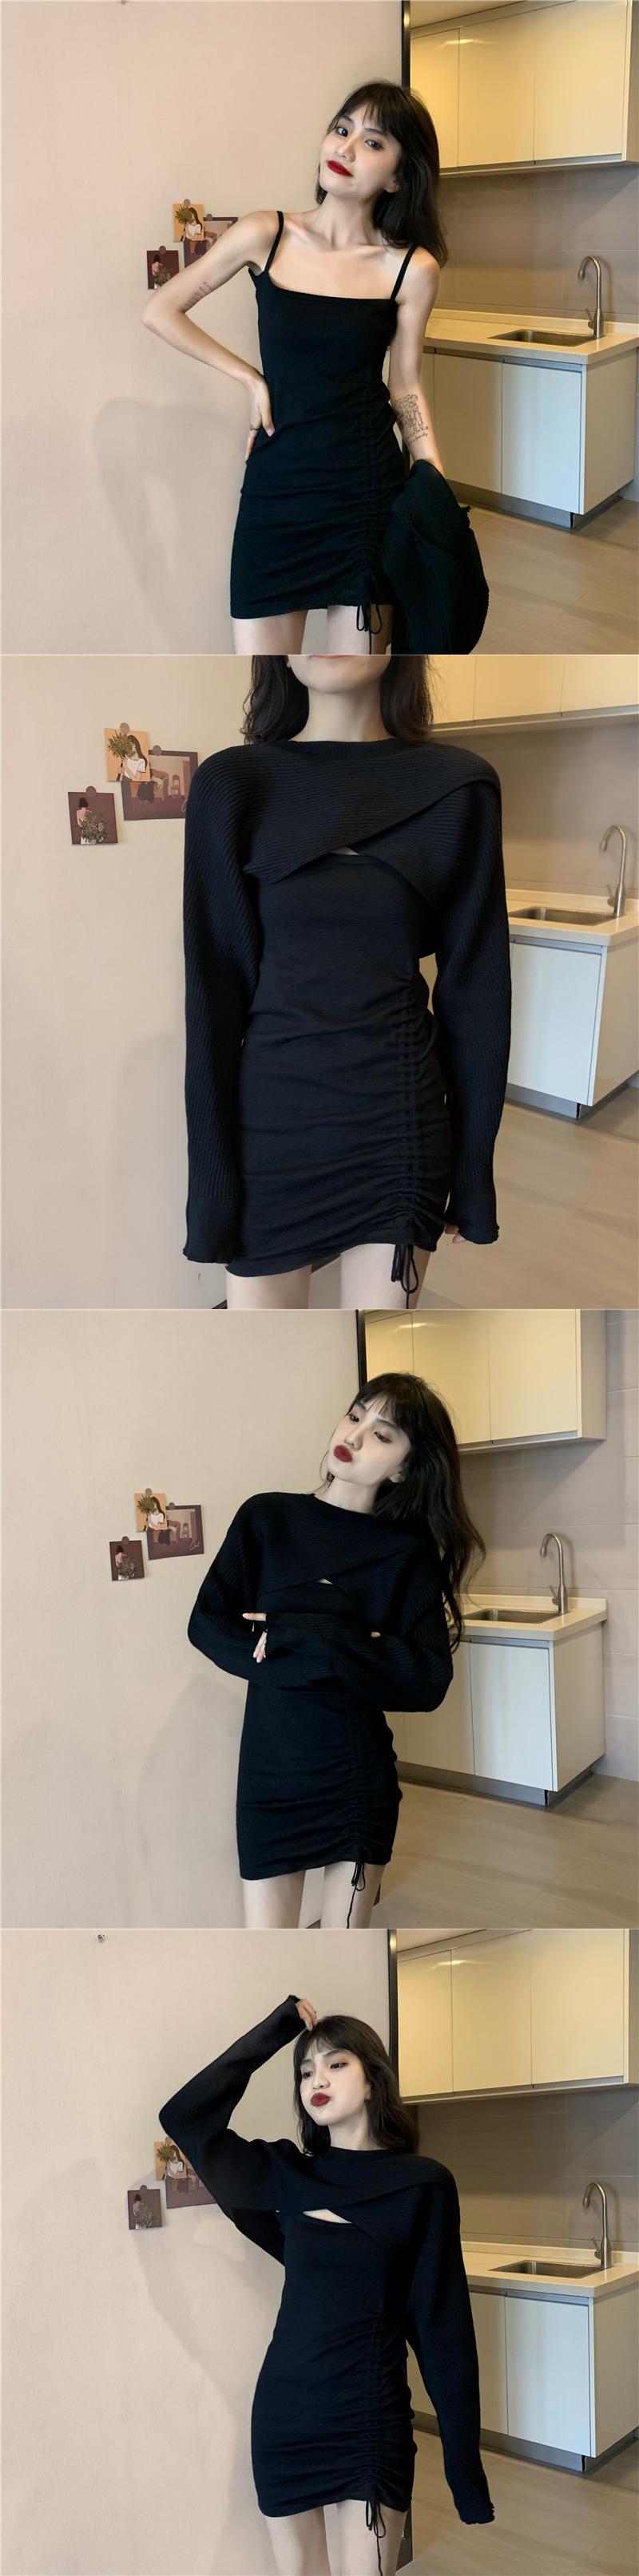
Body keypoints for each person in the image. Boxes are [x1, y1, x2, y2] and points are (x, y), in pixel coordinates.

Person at [182, 653, 511, 1309]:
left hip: (400, 1131)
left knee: (377, 1339)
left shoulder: (459, 787)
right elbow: (212, 1001)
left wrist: (473, 1178)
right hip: (271, 1134)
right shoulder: (234, 784)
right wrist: (211, 1191)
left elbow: (478, 997)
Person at [158, 1992, 494, 2576]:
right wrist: (277, 2030)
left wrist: (465, 2473)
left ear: (373, 2080)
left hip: (370, 2420)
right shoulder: (287, 2175)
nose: (317, 2078)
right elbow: (185, 2117)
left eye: (337, 2063)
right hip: (285, 2417)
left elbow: (443, 2333)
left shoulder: (421, 2185)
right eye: (306, 2070)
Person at [142, 84, 447, 652]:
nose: (347, 147)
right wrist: (250, 379)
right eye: (342, 129)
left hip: (366, 493)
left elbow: (405, 385)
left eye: (373, 142)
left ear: (398, 177)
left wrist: (433, 481)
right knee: (266, 683)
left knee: (353, 687)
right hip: (276, 487)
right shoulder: (268, 233)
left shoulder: (412, 268)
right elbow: (161, 310)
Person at [187, 1371, 484, 1928]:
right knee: (267, 1950)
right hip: (268, 1777)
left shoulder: (406, 1552)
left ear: (403, 1468)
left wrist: (323, 1637)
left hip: (354, 1778)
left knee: (343, 1945)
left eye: (383, 1433)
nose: (357, 1434)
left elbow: (427, 1680)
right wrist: (340, 1653)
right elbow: (206, 1625)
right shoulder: (266, 1519)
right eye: (355, 1416)